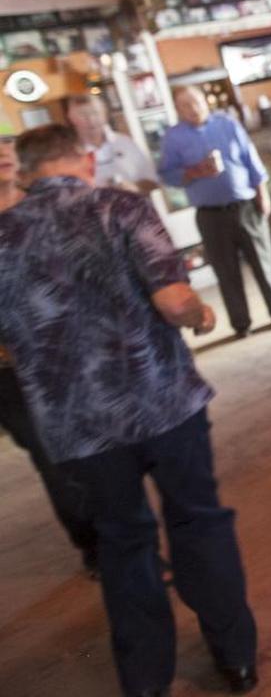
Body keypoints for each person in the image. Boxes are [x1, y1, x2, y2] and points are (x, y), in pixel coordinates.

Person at [0, 124, 258, 697]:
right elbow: (174, 302)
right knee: (199, 521)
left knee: (123, 542)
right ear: (84, 160)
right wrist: (203, 316)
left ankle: (146, 680)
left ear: (26, 170)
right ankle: (236, 657)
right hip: (164, 404)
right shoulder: (121, 207)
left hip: (80, 429)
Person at [0, 136, 99, 577]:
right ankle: (97, 546)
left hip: (68, 353)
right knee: (53, 455)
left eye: (5, 142)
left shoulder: (43, 207)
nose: (3, 151)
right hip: (11, 370)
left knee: (98, 449)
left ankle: (121, 538)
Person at [158, 86, 271, 338]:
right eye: (185, 105)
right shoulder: (173, 138)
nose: (193, 109)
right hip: (210, 214)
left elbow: (251, 159)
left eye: (196, 102)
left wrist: (262, 193)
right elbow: (167, 175)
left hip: (245, 206)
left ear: (205, 101)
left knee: (264, 262)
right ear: (177, 110)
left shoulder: (227, 124)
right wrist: (194, 171)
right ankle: (241, 323)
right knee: (226, 271)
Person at [66, 94, 160, 194]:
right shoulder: (70, 154)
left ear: (105, 114)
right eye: (83, 114)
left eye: (95, 113)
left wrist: (134, 187)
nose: (91, 120)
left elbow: (153, 181)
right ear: (71, 118)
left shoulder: (125, 143)